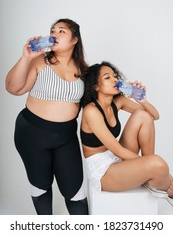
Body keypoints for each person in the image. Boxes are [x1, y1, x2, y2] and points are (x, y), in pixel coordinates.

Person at [5, 18, 89, 215]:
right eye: (53, 30)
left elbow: (97, 101)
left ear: (74, 39)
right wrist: (26, 57)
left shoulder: (84, 70)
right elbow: (13, 88)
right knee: (40, 186)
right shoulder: (40, 61)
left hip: (66, 137)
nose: (54, 34)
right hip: (31, 134)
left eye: (62, 31)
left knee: (75, 191)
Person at [80, 61, 173, 207]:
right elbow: (118, 149)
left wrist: (143, 101)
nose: (114, 79)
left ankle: (151, 178)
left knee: (143, 115)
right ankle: (159, 180)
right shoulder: (91, 111)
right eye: (107, 77)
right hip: (103, 171)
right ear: (96, 87)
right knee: (158, 164)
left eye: (114, 76)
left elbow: (154, 116)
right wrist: (148, 165)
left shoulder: (119, 101)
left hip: (117, 156)